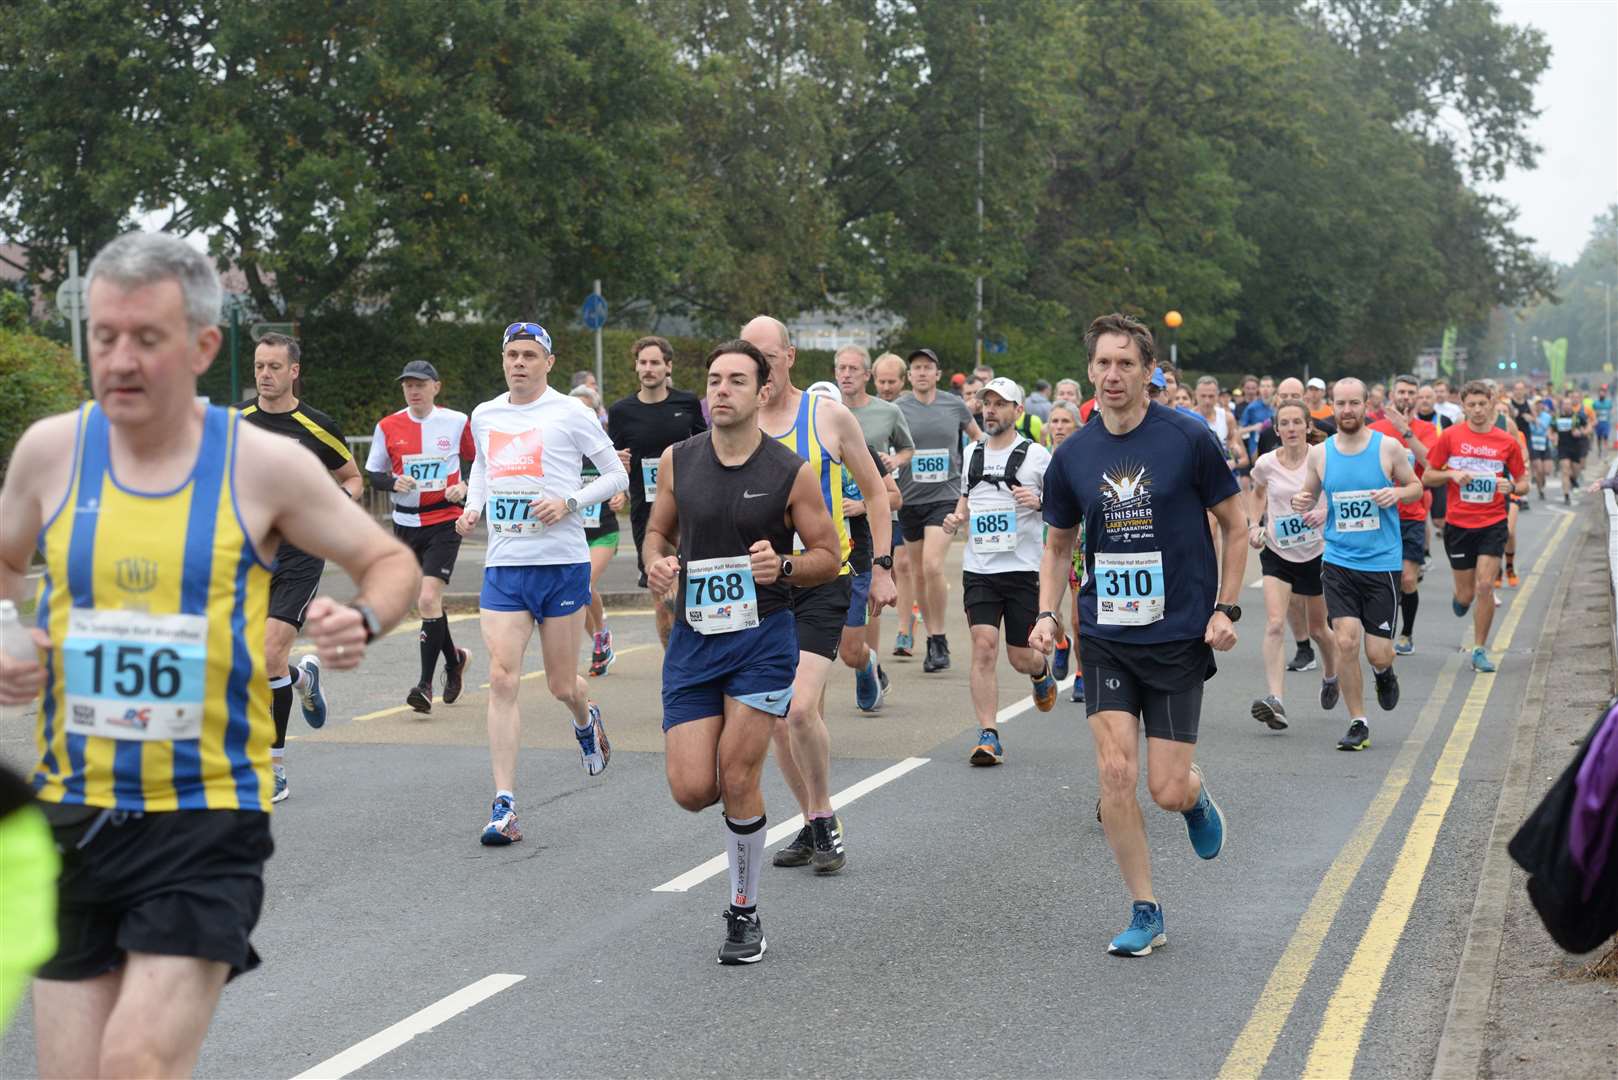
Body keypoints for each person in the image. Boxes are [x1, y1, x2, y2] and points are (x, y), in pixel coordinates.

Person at [0, 231, 417, 1076]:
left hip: (204, 818)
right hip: (72, 813)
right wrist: (9, 634)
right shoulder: (51, 451)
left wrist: (363, 621)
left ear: (202, 345)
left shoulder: (262, 465)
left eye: (145, 339)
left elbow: (388, 560)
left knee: (136, 1063)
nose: (119, 359)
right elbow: (6, 561)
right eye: (103, 337)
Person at [1030, 313, 1244, 958]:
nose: (1113, 375)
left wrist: (1226, 608)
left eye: (1126, 363)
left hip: (1178, 633)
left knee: (1165, 788)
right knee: (1116, 772)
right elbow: (1059, 542)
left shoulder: (1189, 438)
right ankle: (1145, 909)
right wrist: (1048, 613)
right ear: (1089, 372)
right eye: (1103, 363)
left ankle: (1195, 795)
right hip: (1107, 636)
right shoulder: (1073, 454)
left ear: (1149, 372)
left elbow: (1235, 524)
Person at [644, 340, 842, 965]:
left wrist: (780, 564)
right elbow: (656, 530)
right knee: (692, 788)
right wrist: (656, 563)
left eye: (736, 380)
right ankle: (745, 876)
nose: (721, 390)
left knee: (737, 775)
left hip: (762, 640)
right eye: (713, 380)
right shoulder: (680, 460)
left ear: (762, 392)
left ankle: (743, 912)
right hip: (694, 640)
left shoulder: (789, 471)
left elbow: (828, 557)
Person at [458, 322, 628, 845]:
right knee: (504, 679)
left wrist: (570, 501)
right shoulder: (485, 414)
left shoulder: (570, 413)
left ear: (548, 362)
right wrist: (472, 507)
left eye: (530, 355)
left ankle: (585, 717)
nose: (520, 363)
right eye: (512, 354)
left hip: (561, 565)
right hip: (506, 566)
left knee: (560, 684)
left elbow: (615, 476)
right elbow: (483, 469)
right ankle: (504, 806)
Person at [741, 317, 896, 875]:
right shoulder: (736, 423)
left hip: (826, 578)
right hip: (764, 586)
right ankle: (810, 822)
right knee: (780, 717)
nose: (760, 368)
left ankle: (825, 814)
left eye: (768, 355)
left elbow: (876, 493)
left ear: (789, 355)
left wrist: (881, 567)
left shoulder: (827, 416)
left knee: (801, 707)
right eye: (748, 357)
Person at [235, 333, 360, 802]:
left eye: (273, 367)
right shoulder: (235, 422)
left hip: (300, 553)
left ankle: (275, 768)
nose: (264, 375)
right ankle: (303, 679)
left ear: (294, 371)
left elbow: (351, 477)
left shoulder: (317, 426)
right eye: (258, 366)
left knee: (267, 656)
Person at [1290, 378, 1422, 752]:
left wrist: (1396, 492)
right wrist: (1304, 502)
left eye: (1354, 403)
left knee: (1377, 651)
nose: (1347, 410)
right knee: (1346, 641)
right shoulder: (1321, 453)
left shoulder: (1389, 448)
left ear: (1366, 405)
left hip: (1381, 564)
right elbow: (1310, 493)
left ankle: (1384, 671)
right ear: (1332, 406)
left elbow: (1415, 487)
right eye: (1340, 404)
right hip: (1338, 561)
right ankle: (1358, 721)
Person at [940, 378, 1058, 764]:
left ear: (1018, 412)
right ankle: (988, 734)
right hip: (980, 570)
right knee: (984, 646)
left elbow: (1063, 510)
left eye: (1000, 404)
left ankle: (1041, 672)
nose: (990, 409)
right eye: (986, 402)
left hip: (1023, 570)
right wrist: (956, 518)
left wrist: (1039, 502)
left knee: (1020, 658)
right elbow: (966, 500)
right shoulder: (972, 452)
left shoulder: (1038, 456)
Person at [364, 360, 477, 712]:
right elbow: (373, 472)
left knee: (428, 599)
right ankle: (455, 658)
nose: (413, 391)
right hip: (404, 524)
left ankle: (425, 685)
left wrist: (466, 485)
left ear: (435, 387)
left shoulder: (457, 422)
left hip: (444, 520)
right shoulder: (388, 425)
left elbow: (481, 462)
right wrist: (391, 481)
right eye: (407, 385)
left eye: (420, 384)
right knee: (429, 604)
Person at [607, 335, 707, 647]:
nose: (648, 368)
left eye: (655, 362)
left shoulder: (686, 403)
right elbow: (615, 461)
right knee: (663, 600)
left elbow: (709, 448)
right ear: (636, 367)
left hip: (690, 509)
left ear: (668, 366)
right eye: (643, 363)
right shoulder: (622, 411)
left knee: (691, 593)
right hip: (647, 516)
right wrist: (618, 479)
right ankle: (674, 668)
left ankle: (700, 659)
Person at [1247, 401, 1340, 729]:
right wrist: (1255, 524)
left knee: (1319, 630)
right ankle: (1276, 700)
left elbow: (1337, 495)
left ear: (1306, 426)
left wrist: (1324, 513)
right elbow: (1256, 491)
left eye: (1296, 423)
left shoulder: (1323, 458)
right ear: (1276, 429)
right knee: (1275, 623)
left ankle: (1331, 675)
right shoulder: (1267, 463)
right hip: (1277, 552)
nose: (1290, 429)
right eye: (1283, 423)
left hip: (1316, 553)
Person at [1423, 381, 1528, 672]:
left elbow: (1524, 482)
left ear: (1492, 402)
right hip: (1458, 525)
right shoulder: (1451, 437)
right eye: (1472, 405)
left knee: (1484, 586)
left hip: (1493, 522)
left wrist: (1512, 485)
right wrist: (1452, 474)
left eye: (1483, 404)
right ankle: (1460, 599)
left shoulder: (1506, 441)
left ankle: (1480, 649)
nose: (1478, 410)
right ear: (1463, 406)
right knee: (1466, 594)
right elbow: (1428, 476)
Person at [895, 347, 982, 673]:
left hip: (945, 496)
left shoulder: (953, 404)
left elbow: (977, 439)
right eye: (915, 367)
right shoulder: (898, 408)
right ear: (909, 375)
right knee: (918, 573)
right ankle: (931, 637)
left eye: (927, 367)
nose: (921, 372)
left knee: (932, 566)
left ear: (937, 374)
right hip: (909, 499)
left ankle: (939, 637)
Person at [837, 347, 914, 687]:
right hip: (833, 526)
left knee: (874, 588)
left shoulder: (887, 411)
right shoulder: (825, 412)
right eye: (841, 368)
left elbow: (907, 449)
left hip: (878, 513)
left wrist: (894, 463)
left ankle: (869, 661)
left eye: (854, 368)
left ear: (865, 375)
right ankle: (860, 656)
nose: (847, 374)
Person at [1367, 375, 1438, 656]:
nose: (1406, 397)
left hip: (1411, 514)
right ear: (1392, 395)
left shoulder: (1427, 429)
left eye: (1411, 393)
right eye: (1402, 392)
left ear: (1418, 397)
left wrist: (1406, 432)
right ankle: (1382, 630)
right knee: (1384, 579)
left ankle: (1406, 633)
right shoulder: (1374, 429)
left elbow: (1430, 463)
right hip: (1378, 514)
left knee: (1408, 578)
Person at [570, 384, 628, 676]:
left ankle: (601, 634)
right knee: (577, 590)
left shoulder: (604, 445)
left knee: (584, 581)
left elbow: (621, 479)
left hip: (603, 529)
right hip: (571, 531)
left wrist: (621, 496)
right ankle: (600, 643)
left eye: (587, 409)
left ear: (596, 413)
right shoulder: (560, 445)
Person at [871, 352, 923, 657]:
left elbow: (909, 449)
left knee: (901, 565)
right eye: (882, 381)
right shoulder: (862, 409)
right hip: (870, 500)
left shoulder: (900, 410)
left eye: (892, 381)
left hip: (902, 495)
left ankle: (904, 628)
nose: (887, 386)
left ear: (902, 381)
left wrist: (895, 460)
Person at [1045, 399, 1086, 700]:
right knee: (1048, 609)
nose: (1059, 428)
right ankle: (1061, 644)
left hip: (1079, 545)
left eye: (1065, 422)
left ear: (1076, 426)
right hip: (1045, 542)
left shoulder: (1086, 458)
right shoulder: (1039, 457)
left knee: (1077, 617)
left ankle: (1082, 673)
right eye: (1055, 422)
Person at [1553, 391, 1589, 502]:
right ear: (1562, 405)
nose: (1567, 406)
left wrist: (1581, 433)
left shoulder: (1578, 417)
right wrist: (1552, 436)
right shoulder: (1557, 417)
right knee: (1565, 469)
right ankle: (1566, 496)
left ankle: (1574, 480)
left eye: (1569, 404)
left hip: (1576, 447)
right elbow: (1551, 430)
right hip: (1563, 447)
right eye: (1565, 404)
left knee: (1576, 470)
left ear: (1571, 405)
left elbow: (1588, 427)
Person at [1593, 385, 1612, 458]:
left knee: (1605, 437)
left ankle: (1605, 452)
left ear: (1605, 394)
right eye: (1600, 393)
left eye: (1603, 393)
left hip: (1606, 423)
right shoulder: (1595, 403)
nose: (1602, 394)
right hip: (1598, 423)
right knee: (1599, 438)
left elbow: (1610, 410)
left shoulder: (1608, 403)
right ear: (1598, 394)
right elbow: (1593, 412)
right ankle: (1599, 449)